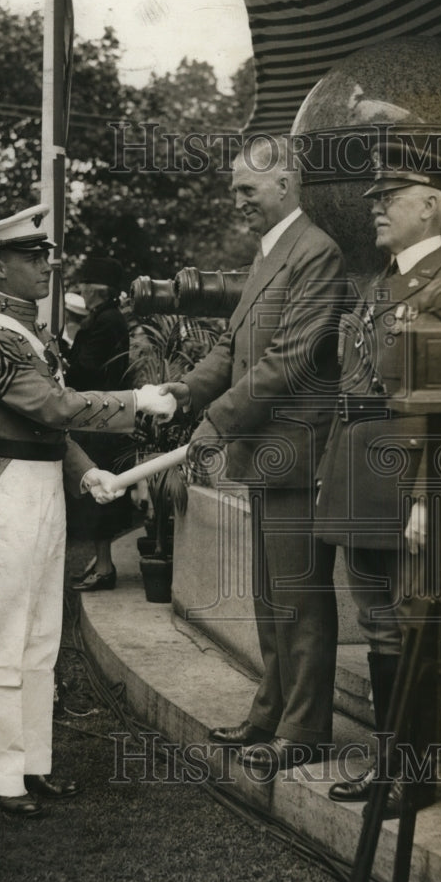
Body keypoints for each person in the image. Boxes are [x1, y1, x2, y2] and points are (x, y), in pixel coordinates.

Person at [0, 204, 175, 817]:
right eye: (32, 259)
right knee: (4, 634)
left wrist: (88, 474)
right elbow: (52, 410)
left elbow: (54, 432)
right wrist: (137, 399)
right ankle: (3, 775)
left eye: (46, 257)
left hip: (46, 485)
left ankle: (35, 763)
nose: (46, 268)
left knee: (41, 636)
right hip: (6, 490)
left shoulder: (33, 332)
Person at [315, 142, 441, 816]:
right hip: (363, 482)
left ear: (429, 205)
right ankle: (392, 766)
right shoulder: (382, 284)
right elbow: (354, 386)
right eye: (374, 199)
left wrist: (432, 499)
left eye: (388, 199)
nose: (375, 210)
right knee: (378, 625)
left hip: (413, 489)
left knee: (415, 627)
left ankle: (413, 776)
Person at [161, 136, 347, 771]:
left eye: (246, 188)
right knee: (271, 598)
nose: (235, 199)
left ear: (285, 186)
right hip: (269, 453)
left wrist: (215, 417)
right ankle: (271, 713)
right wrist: (183, 391)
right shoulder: (274, 252)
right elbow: (234, 345)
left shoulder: (315, 252)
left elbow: (289, 360)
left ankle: (304, 731)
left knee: (298, 596)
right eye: (234, 187)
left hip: (296, 452)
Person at [65, 256, 133, 592]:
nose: (80, 290)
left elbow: (87, 369)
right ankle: (101, 562)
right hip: (105, 416)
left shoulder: (105, 321)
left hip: (99, 419)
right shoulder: (108, 318)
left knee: (99, 497)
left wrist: (65, 360)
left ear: (96, 289)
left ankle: (104, 567)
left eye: (84, 285)